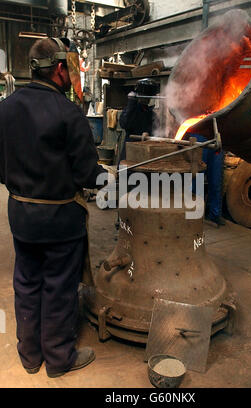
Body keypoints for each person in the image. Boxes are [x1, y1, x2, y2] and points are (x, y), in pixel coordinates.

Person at [0, 38, 106, 378]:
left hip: (21, 215)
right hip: (60, 219)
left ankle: (30, 356)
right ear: (60, 68)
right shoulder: (69, 113)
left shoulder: (5, 108)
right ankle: (59, 359)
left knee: (27, 282)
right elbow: (88, 175)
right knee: (59, 287)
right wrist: (109, 179)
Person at [119, 78, 159, 162]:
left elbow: (157, 131)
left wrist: (148, 133)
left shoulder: (151, 113)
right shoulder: (132, 109)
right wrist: (131, 104)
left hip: (146, 152)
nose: (147, 100)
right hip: (130, 149)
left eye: (149, 98)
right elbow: (124, 124)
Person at [189, 134, 225, 227]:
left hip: (217, 136)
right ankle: (193, 214)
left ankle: (214, 215)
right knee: (197, 178)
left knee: (216, 179)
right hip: (199, 135)